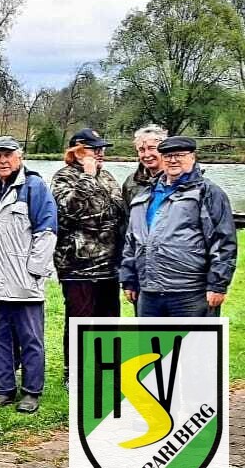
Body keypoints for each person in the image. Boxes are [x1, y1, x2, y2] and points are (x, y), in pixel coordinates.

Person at [0, 136, 57, 414]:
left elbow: (46, 233)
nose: (3, 160)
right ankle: (3, 388)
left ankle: (32, 391)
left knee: (30, 338)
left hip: (23, 280)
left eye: (8, 155)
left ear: (19, 156)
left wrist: (33, 273)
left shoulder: (34, 186)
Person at [120, 136, 237, 317]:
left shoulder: (208, 193)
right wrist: (129, 279)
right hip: (149, 292)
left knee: (191, 345)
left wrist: (218, 284)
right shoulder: (144, 194)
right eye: (167, 156)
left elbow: (223, 241)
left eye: (179, 155)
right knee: (152, 345)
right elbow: (131, 240)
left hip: (190, 292)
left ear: (192, 157)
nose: (172, 160)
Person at [51, 129, 126, 388]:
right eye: (95, 149)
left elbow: (118, 213)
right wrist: (87, 176)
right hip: (77, 265)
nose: (101, 153)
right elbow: (69, 212)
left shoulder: (108, 176)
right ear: (78, 151)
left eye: (102, 149)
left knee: (108, 318)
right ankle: (73, 371)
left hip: (109, 264)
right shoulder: (63, 178)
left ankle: (107, 369)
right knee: (79, 319)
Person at [122, 124, 168, 205]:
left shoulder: (175, 179)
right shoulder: (130, 182)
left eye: (151, 148)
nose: (147, 155)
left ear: (165, 149)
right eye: (141, 150)